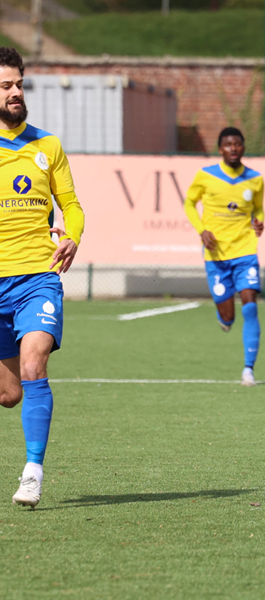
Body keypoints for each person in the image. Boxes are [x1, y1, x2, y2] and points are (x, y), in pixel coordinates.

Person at [0, 47, 85, 509]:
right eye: (6, 86)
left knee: (35, 367)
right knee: (9, 394)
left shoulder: (47, 146)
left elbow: (71, 204)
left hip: (38, 276)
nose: (15, 92)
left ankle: (33, 471)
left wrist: (72, 235)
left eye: (19, 83)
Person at [185, 127, 264, 387]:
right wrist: (201, 230)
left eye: (238, 144)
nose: (233, 148)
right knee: (228, 313)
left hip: (245, 250)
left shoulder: (255, 179)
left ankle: (248, 370)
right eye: (228, 144)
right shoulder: (206, 176)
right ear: (220, 149)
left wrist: (259, 222)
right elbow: (189, 202)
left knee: (250, 305)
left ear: (243, 147)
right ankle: (224, 318)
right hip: (216, 254)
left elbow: (259, 208)